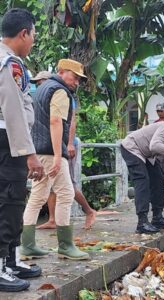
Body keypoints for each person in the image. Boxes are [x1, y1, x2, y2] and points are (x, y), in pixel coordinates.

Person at [21, 59, 89, 261]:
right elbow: (55, 121)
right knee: (60, 194)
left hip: (39, 150)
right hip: (51, 152)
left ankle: (29, 245)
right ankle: (65, 246)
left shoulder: (42, 88)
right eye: (74, 76)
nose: (76, 82)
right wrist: (59, 155)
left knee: (41, 196)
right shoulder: (60, 91)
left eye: (79, 79)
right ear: (62, 71)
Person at [0, 8, 45, 292]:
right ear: (23, 33)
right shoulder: (9, 63)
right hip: (8, 140)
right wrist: (29, 154)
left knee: (13, 203)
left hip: (7, 139)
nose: (32, 43)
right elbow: (13, 109)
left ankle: (11, 260)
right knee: (9, 202)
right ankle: (2, 266)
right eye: (32, 36)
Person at [37, 96, 97, 230]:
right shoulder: (44, 99)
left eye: (42, 82)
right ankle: (52, 220)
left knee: (67, 184)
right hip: (50, 147)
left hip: (64, 146)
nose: (41, 85)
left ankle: (89, 211)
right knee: (52, 183)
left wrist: (69, 143)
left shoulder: (64, 96)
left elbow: (71, 121)